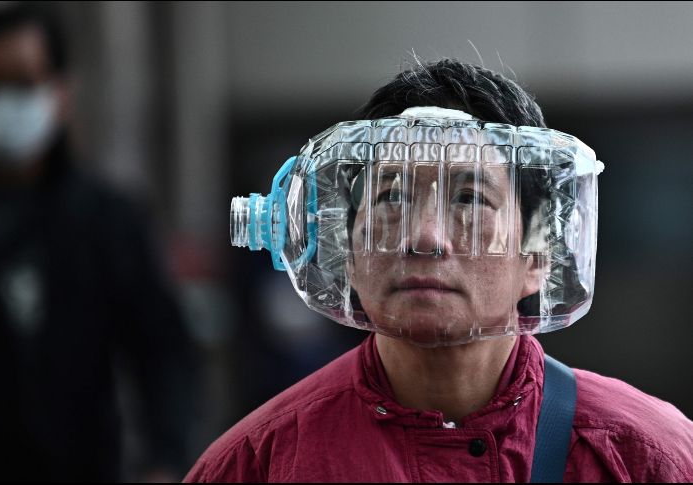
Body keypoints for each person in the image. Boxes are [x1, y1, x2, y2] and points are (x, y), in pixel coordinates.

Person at [185, 59, 693, 482]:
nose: (424, 237)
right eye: (391, 198)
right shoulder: (258, 464)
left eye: (471, 199)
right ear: (348, 252)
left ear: (538, 256)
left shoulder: (643, 457)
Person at [0, 5, 192, 481]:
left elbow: (161, 349)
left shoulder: (107, 219)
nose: (6, 102)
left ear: (59, 93)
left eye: (24, 83)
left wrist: (165, 461)